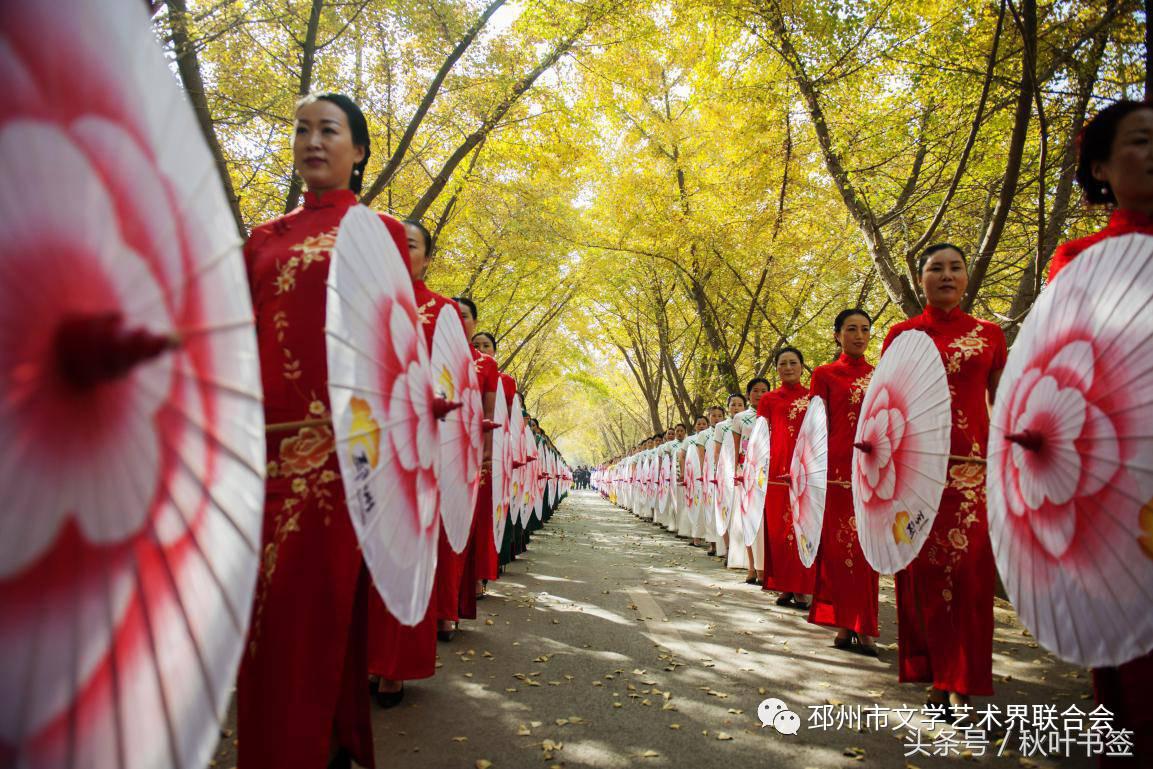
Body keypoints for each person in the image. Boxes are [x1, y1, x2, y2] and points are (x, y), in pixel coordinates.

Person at [239, 93, 410, 769]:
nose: (313, 140)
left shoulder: (379, 235)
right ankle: (321, 746)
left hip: (340, 457)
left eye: (329, 130)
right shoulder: (261, 238)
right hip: (260, 450)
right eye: (302, 129)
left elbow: (394, 345)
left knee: (307, 609)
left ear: (358, 150)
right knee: (263, 619)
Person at [1048, 100, 1153, 765]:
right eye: (1141, 141)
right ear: (1100, 168)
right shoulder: (1081, 260)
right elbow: (1060, 374)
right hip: (1123, 486)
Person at [884, 244, 1006, 713]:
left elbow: (1003, 401)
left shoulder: (990, 335)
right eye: (936, 268)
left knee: (973, 580)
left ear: (967, 278)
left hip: (974, 478)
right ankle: (937, 673)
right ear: (921, 281)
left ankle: (964, 683)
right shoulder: (903, 335)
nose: (947, 275)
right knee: (927, 577)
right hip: (918, 477)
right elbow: (888, 404)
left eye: (956, 267)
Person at [365, 219, 459, 709]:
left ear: (428, 256)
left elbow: (452, 380)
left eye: (412, 245)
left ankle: (394, 667)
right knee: (366, 553)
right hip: (369, 439)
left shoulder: (441, 312)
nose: (402, 251)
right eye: (394, 244)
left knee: (404, 554)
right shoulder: (369, 300)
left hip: (419, 447)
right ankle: (364, 657)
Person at [807, 309, 880, 657]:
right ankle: (843, 622)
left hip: (873, 470)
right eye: (851, 329)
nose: (859, 335)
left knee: (867, 549)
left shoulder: (880, 375)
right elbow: (815, 428)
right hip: (835, 472)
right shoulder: (823, 375)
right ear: (837, 335)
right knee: (839, 550)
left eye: (865, 329)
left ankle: (865, 625)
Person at [758, 347, 814, 608]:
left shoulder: (814, 397)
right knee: (779, 531)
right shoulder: (768, 400)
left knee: (804, 526)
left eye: (793, 362)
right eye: (783, 363)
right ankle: (783, 585)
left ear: (802, 366)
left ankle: (802, 587)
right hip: (776, 473)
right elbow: (759, 439)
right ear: (777, 368)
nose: (788, 367)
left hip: (807, 470)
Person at [455, 296, 500, 620]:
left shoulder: (488, 369)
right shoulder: (437, 353)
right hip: (433, 448)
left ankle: (470, 583)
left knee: (468, 523)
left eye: (465, 315)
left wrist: (486, 453)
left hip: (471, 454)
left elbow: (492, 415)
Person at [736, 379, 770, 584]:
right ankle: (751, 567)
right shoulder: (740, 418)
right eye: (755, 391)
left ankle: (765, 568)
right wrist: (735, 471)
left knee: (766, 520)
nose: (759, 394)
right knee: (749, 518)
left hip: (768, 471)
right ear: (748, 394)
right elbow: (735, 446)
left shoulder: (773, 411)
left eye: (764, 391)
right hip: (746, 473)